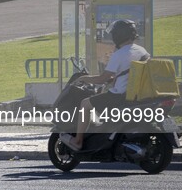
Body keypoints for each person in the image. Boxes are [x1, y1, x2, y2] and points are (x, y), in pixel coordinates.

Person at [61, 20, 149, 151]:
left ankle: (78, 140)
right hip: (136, 94)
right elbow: (129, 72)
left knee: (85, 103)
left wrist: (84, 78)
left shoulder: (119, 54)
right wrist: (112, 79)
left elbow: (101, 78)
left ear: (117, 35)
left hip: (119, 95)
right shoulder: (142, 51)